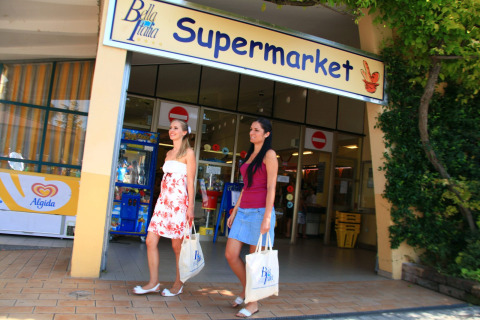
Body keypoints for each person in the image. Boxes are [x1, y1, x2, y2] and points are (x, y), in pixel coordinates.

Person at [132, 119, 196, 297]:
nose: (171, 130)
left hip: (178, 204)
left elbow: (190, 181)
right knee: (150, 241)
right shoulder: (168, 153)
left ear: (184, 132)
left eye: (176, 128)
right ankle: (153, 283)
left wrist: (190, 207)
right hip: (163, 204)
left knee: (177, 247)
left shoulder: (189, 153)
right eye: (170, 128)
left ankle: (179, 283)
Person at [225, 118, 278, 318]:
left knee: (254, 261)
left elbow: (272, 186)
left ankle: (253, 303)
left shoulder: (270, 154)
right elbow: (246, 186)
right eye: (251, 129)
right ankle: (248, 290)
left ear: (267, 134)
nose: (251, 132)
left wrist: (267, 217)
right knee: (231, 254)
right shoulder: (249, 155)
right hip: (244, 211)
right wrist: (235, 210)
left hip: (259, 213)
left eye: (256, 130)